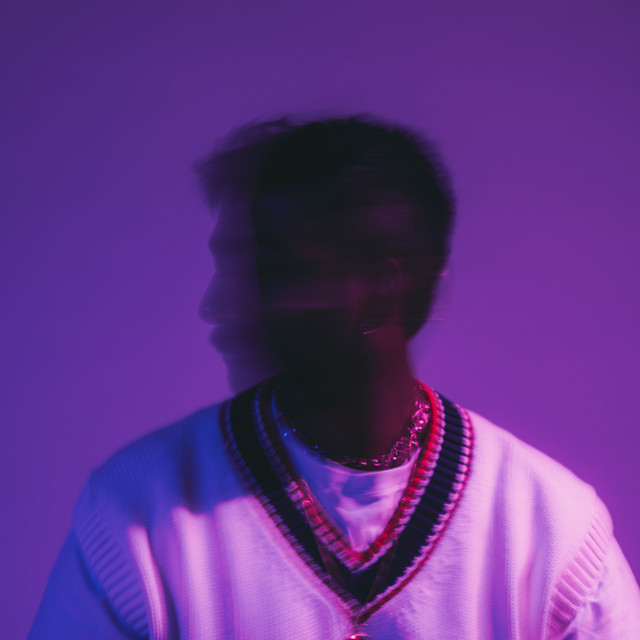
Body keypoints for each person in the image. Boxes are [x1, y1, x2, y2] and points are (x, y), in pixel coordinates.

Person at [29, 115, 640, 639]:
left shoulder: (554, 535)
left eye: (274, 271)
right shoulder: (136, 512)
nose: (219, 305)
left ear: (381, 290)